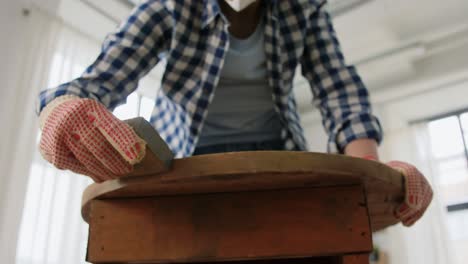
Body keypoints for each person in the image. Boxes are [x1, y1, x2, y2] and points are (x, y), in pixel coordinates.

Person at [37, 0, 432, 226]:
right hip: (183, 165)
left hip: (278, 159)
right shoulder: (168, 8)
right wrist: (61, 111)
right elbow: (96, 82)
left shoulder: (304, 9)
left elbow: (339, 91)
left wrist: (372, 171)